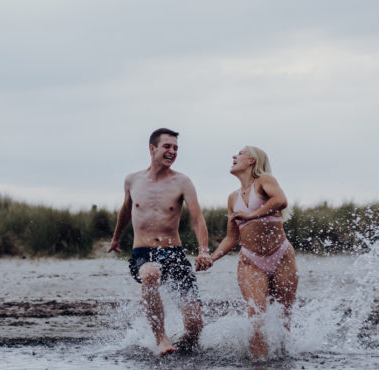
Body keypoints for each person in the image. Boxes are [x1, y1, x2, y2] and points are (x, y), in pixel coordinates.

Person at [108, 128, 213, 355]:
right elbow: (125, 210)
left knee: (195, 326)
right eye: (167, 146)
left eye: (175, 148)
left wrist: (203, 251)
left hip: (173, 253)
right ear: (152, 148)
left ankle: (182, 351)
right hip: (143, 254)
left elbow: (197, 219)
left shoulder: (182, 182)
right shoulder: (132, 180)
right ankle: (161, 338)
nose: (172, 151)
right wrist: (116, 238)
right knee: (151, 273)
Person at [209, 146, 298, 357]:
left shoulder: (265, 181)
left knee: (283, 316)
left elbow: (280, 200)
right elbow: (231, 238)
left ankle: (282, 365)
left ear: (252, 160)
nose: (233, 156)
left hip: (282, 256)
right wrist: (212, 258)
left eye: (239, 153)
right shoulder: (232, 198)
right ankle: (259, 368)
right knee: (257, 314)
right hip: (251, 260)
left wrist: (252, 216)